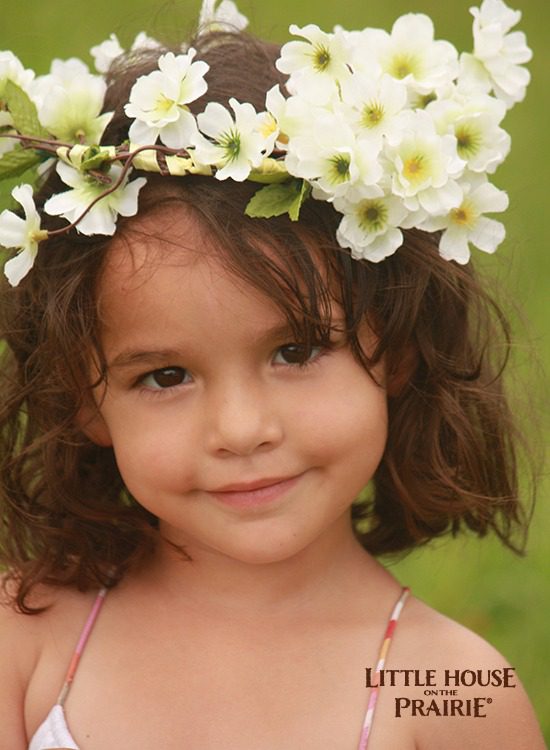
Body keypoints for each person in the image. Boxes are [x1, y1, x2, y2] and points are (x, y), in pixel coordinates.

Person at [0, 1, 545, 748]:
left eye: (294, 352)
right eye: (164, 376)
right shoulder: (26, 638)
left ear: (398, 346)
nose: (242, 430)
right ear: (81, 397)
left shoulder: (447, 689)